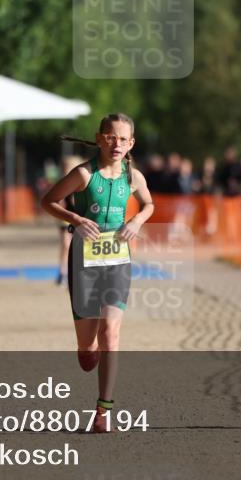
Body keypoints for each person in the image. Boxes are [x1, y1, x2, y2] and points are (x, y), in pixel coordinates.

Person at [40, 113, 154, 433]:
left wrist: (136, 221)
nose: (116, 144)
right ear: (100, 138)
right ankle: (86, 350)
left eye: (123, 139)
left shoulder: (133, 176)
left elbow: (149, 205)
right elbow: (48, 201)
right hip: (84, 262)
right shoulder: (83, 174)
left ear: (131, 143)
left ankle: (103, 411)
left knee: (110, 334)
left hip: (117, 261)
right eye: (110, 137)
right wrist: (75, 220)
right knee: (88, 348)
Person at [55, 155, 84, 286]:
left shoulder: (82, 182)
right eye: (65, 167)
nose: (66, 170)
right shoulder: (62, 183)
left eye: (69, 167)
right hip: (65, 219)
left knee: (78, 248)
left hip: (79, 219)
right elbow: (56, 201)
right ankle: (62, 273)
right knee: (65, 245)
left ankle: (77, 273)